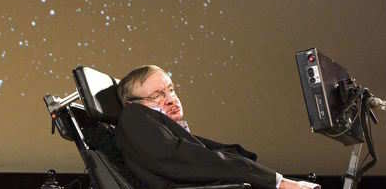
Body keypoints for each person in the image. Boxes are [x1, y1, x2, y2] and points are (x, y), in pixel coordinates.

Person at [115, 65, 320, 189]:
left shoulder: (157, 129)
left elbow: (215, 154)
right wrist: (278, 183)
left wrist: (269, 176)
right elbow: (181, 159)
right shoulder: (133, 115)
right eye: (157, 96)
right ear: (133, 103)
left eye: (171, 90)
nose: (171, 99)